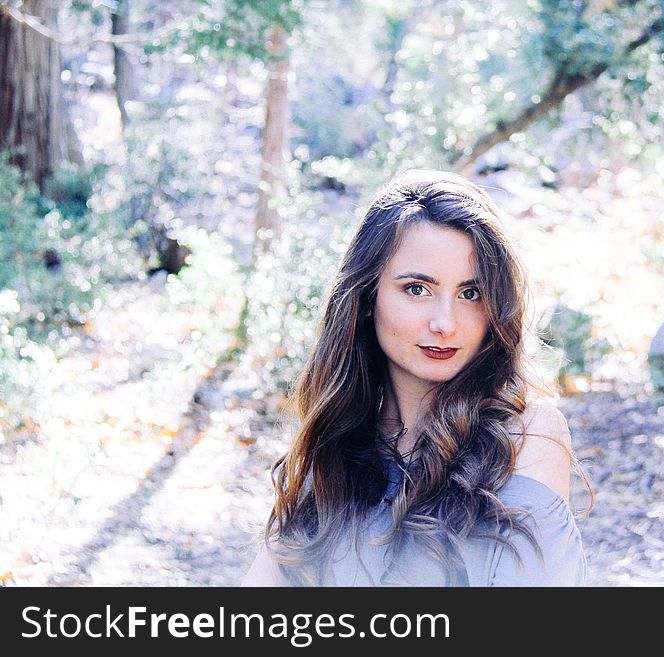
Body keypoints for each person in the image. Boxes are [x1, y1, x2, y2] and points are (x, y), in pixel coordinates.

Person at [242, 169, 592, 586]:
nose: (445, 323)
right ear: (368, 297)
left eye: (470, 294)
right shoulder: (336, 450)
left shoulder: (527, 437)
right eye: (417, 289)